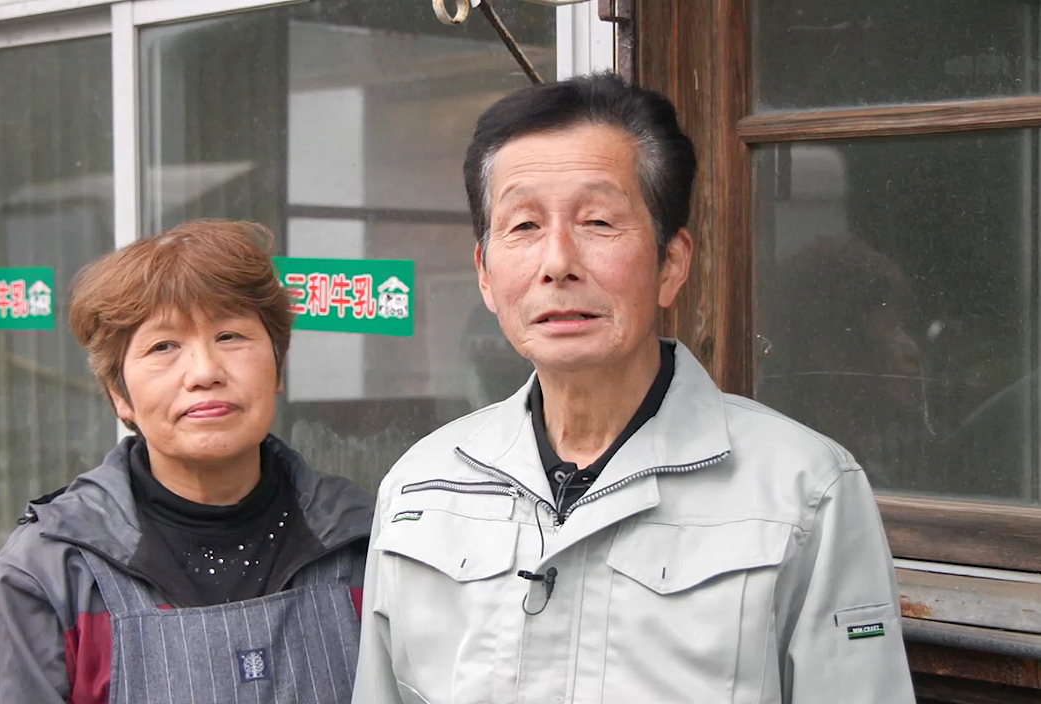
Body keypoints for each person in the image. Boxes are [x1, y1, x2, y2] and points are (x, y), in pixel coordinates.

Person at [352, 74, 915, 704]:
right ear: (484, 272)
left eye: (598, 220)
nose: (557, 262)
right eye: (524, 225)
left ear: (671, 263)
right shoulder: (420, 489)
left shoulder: (806, 491)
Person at [0, 220, 373, 704]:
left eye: (230, 336)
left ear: (277, 366)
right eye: (163, 346)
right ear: (119, 395)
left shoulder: (364, 541)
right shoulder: (53, 571)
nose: (205, 372)